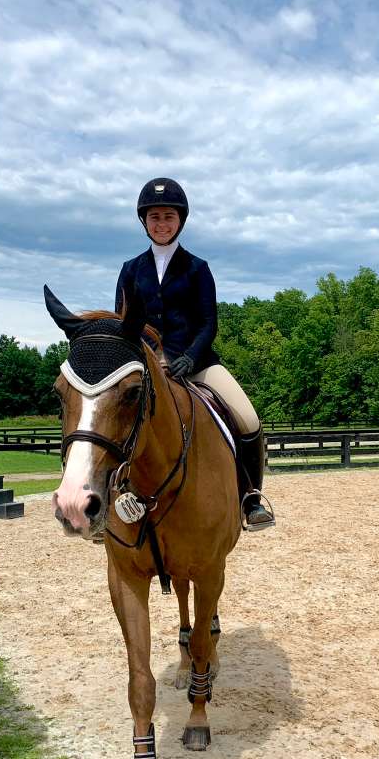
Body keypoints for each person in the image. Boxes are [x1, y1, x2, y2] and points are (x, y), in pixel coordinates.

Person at [115, 177, 275, 530]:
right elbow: (124, 324)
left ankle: (250, 498)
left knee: (248, 420)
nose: (161, 224)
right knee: (113, 419)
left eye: (168, 217)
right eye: (155, 217)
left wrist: (188, 356)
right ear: (144, 221)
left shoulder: (197, 268)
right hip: (145, 368)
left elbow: (208, 323)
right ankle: (113, 503)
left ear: (180, 221)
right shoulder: (130, 270)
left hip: (197, 364)